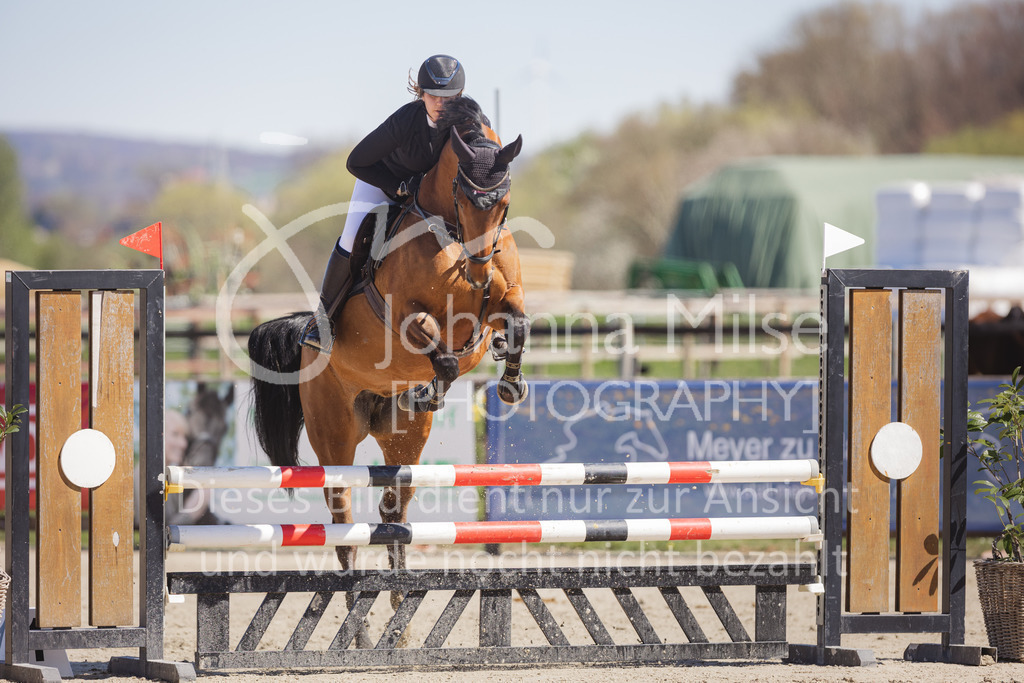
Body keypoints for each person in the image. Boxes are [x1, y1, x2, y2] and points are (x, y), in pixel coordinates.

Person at [301, 54, 466, 353]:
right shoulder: (406, 121)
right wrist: (398, 187)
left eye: (449, 97)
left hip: (428, 198)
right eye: (433, 96)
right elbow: (356, 162)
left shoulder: (469, 122)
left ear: (460, 96)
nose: (441, 104)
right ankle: (322, 321)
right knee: (351, 240)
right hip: (381, 183)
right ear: (421, 94)